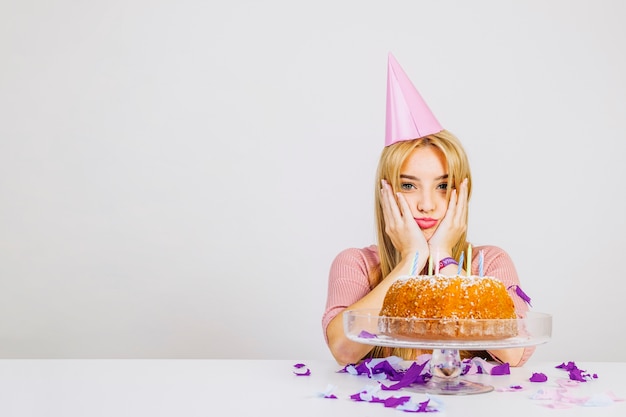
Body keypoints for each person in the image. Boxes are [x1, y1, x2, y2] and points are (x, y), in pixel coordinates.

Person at [322, 54, 535, 367]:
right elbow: (343, 349)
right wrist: (411, 260)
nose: (427, 204)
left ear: (463, 191)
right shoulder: (356, 264)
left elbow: (513, 352)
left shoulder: (489, 263)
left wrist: (444, 258)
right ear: (386, 194)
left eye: (442, 186)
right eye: (408, 186)